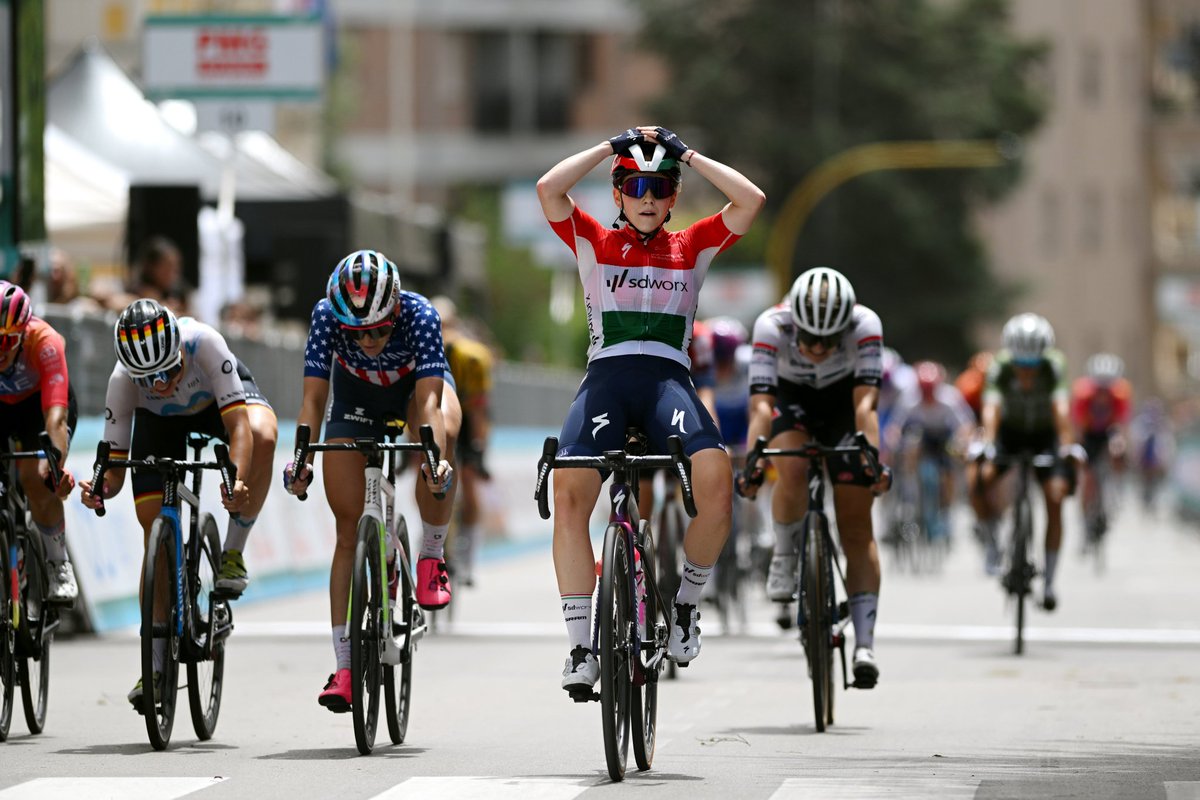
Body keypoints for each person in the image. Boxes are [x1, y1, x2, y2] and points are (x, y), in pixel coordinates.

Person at [536, 125, 765, 693]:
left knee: (716, 480)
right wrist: (607, 148)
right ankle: (581, 648)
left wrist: (686, 152)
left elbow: (751, 200)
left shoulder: (691, 246)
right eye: (634, 186)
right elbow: (548, 189)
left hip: (668, 379)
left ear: (673, 196)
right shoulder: (593, 239)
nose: (646, 197)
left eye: (659, 187)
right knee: (568, 494)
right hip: (606, 379)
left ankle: (685, 604)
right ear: (617, 193)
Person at [282, 250, 459, 713]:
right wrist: (300, 460)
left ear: (396, 309)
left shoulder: (421, 315)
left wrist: (435, 459)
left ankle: (432, 554)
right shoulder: (325, 316)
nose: (372, 339)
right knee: (347, 533)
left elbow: (430, 406)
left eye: (380, 328)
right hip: (356, 397)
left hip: (414, 395)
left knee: (443, 436)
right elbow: (313, 401)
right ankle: (343, 666)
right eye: (359, 333)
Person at [79, 298, 278, 710]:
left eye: (167, 372)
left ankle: (233, 552)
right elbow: (115, 469)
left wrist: (236, 481)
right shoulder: (122, 380)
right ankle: (152, 665)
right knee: (154, 533)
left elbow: (238, 426)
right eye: (147, 379)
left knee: (264, 436)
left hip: (214, 407)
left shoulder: (204, 343)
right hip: (160, 426)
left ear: (177, 352)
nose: (161, 384)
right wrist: (99, 489)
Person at [738, 267, 891, 689]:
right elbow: (760, 409)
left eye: (830, 339)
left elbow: (866, 409)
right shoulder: (771, 326)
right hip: (792, 398)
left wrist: (872, 461)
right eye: (809, 339)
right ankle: (785, 555)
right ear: (794, 325)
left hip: (844, 402)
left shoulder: (866, 325)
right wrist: (753, 460)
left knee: (857, 527)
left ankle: (865, 643)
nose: (819, 347)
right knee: (789, 463)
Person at [967, 312, 1079, 610]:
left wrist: (1067, 445)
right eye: (1022, 365)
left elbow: (1061, 408)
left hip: (1046, 435)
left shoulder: (1054, 365)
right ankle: (991, 544)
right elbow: (991, 406)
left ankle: (1051, 582)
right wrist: (988, 443)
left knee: (1055, 497)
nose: (1028, 372)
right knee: (978, 479)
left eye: (1033, 365)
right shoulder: (1000, 366)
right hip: (1010, 433)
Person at [0, 281, 79, 603]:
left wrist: (54, 466)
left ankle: (58, 562)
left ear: (24, 331)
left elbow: (56, 418)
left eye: (8, 341)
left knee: (37, 480)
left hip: (39, 408)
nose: (0, 350)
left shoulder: (44, 341)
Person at [432, 295, 495, 587]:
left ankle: (467, 561)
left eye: (446, 325)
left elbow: (480, 409)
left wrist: (479, 450)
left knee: (468, 483)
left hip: (468, 416)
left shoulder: (473, 356)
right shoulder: (417, 347)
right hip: (431, 411)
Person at [887, 360, 975, 543]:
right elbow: (895, 427)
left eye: (930, 392)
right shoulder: (909, 399)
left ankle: (947, 508)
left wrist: (962, 444)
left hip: (943, 438)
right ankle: (911, 491)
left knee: (950, 466)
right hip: (920, 437)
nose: (927, 397)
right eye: (923, 392)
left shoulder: (950, 398)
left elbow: (965, 426)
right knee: (911, 446)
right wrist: (893, 445)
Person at [1071, 353, 1133, 542]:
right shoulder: (1083, 394)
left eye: (1108, 389)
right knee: (1088, 477)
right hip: (1089, 433)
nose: (1103, 394)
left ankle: (1116, 487)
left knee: (1118, 449)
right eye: (1100, 389)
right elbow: (1078, 425)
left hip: (1108, 431)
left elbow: (1122, 423)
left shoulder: (1121, 393)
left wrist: (1120, 442)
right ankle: (1084, 519)